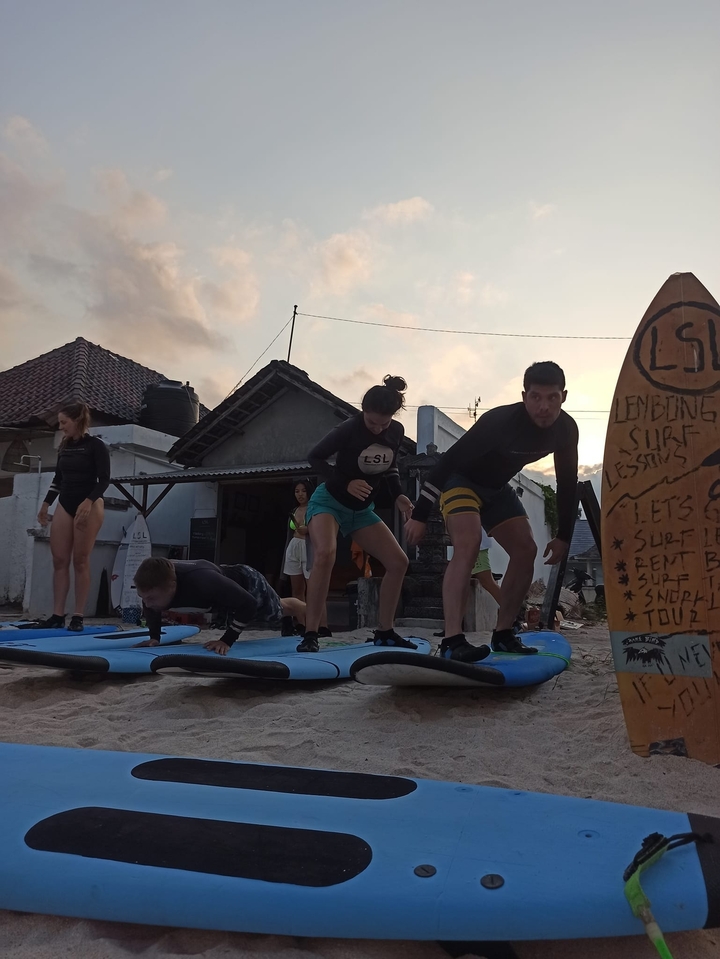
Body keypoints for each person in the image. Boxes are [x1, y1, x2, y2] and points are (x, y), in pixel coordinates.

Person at [405, 361, 578, 662]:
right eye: (536, 397)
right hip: (462, 481)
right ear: (525, 396)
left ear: (564, 396)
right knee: (469, 544)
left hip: (497, 488)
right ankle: (452, 640)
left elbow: (566, 482)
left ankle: (503, 634)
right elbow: (448, 461)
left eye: (552, 398)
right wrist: (420, 514)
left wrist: (564, 535)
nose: (543, 407)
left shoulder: (565, 430)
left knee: (526, 550)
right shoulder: (500, 421)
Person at [298, 374, 415, 653]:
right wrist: (345, 482)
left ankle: (385, 631)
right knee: (325, 553)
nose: (376, 429)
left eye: (382, 423)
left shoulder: (395, 431)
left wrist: (398, 494)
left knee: (399, 562)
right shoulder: (348, 429)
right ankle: (311, 633)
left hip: (362, 510)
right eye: (371, 421)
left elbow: (390, 465)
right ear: (363, 411)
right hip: (329, 502)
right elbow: (315, 457)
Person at [133, 557, 306, 655]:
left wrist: (226, 641)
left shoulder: (202, 581)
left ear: (172, 586)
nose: (146, 604)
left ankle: (308, 618)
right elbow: (149, 605)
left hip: (247, 582)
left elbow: (249, 604)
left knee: (277, 611)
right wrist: (154, 637)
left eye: (151, 598)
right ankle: (287, 621)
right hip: (219, 595)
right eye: (143, 598)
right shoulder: (155, 585)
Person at [37, 402, 110, 632]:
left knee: (80, 560)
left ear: (77, 420)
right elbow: (58, 479)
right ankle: (58, 615)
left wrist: (89, 502)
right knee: (59, 559)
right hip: (65, 504)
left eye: (64, 422)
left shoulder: (96, 446)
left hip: (89, 504)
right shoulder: (64, 446)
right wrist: (46, 504)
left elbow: (104, 480)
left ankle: (78, 616)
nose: (61, 427)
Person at [283, 480, 313, 602]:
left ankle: (316, 621)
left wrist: (309, 529)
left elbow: (324, 528)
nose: (300, 494)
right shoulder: (294, 510)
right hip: (293, 547)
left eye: (304, 491)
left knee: (313, 591)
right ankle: (302, 621)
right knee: (297, 591)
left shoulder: (314, 508)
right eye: (297, 491)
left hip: (309, 549)